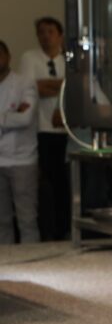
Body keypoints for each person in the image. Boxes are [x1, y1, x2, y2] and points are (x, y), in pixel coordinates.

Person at [19, 17, 69, 240]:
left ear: (60, 35)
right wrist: (61, 84)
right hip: (41, 130)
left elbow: (74, 87)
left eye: (50, 32)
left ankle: (65, 228)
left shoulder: (68, 59)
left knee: (65, 183)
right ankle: (49, 232)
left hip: (66, 130)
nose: (45, 36)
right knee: (46, 183)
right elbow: (31, 88)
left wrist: (50, 85)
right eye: (41, 32)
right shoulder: (29, 58)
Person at [0, 40, 40, 244]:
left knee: (27, 219)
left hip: (22, 160)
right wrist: (9, 116)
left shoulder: (24, 83)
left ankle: (32, 258)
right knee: (2, 221)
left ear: (8, 56)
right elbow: (16, 117)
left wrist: (4, 119)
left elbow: (25, 118)